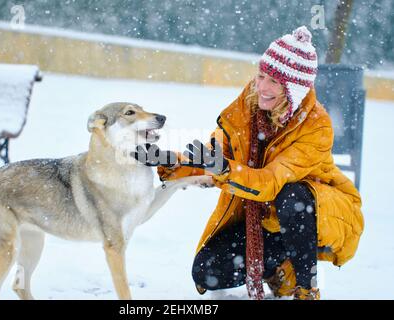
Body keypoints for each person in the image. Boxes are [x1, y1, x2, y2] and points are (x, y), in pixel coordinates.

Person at [133, 26, 364, 300]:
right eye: (261, 76)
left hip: (318, 214)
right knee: (207, 271)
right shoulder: (252, 102)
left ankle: (305, 286)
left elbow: (270, 181)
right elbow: (216, 153)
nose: (263, 87)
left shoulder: (316, 126)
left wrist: (225, 170)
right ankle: (278, 264)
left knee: (293, 196)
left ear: (295, 90)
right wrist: (172, 162)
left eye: (275, 82)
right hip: (265, 219)